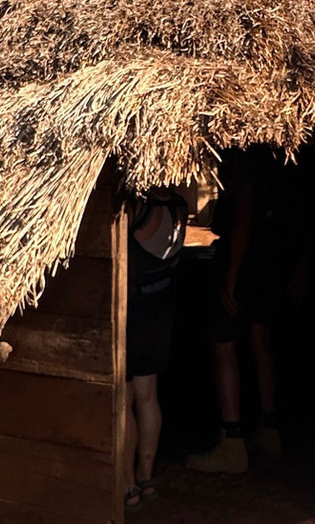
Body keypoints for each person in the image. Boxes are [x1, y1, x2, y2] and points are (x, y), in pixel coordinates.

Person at [186, 149, 300, 474]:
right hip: (271, 261)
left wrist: (232, 273)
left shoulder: (246, 158)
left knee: (223, 345)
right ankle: (269, 429)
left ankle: (232, 441)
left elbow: (243, 217)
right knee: (260, 340)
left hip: (245, 264)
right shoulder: (280, 158)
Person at [124, 186, 188, 512]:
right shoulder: (179, 204)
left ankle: (127, 486)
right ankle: (146, 479)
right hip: (160, 309)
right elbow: (174, 259)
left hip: (133, 312)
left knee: (124, 401)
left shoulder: (137, 207)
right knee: (148, 396)